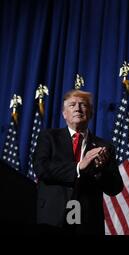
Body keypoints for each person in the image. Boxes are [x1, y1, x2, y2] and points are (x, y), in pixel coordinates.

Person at [33, 89, 123, 235]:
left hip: (87, 221)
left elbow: (115, 188)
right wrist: (78, 167)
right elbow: (41, 168)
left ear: (91, 113)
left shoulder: (104, 146)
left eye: (83, 105)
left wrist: (100, 170)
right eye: (72, 105)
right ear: (64, 114)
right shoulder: (49, 137)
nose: (77, 108)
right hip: (52, 216)